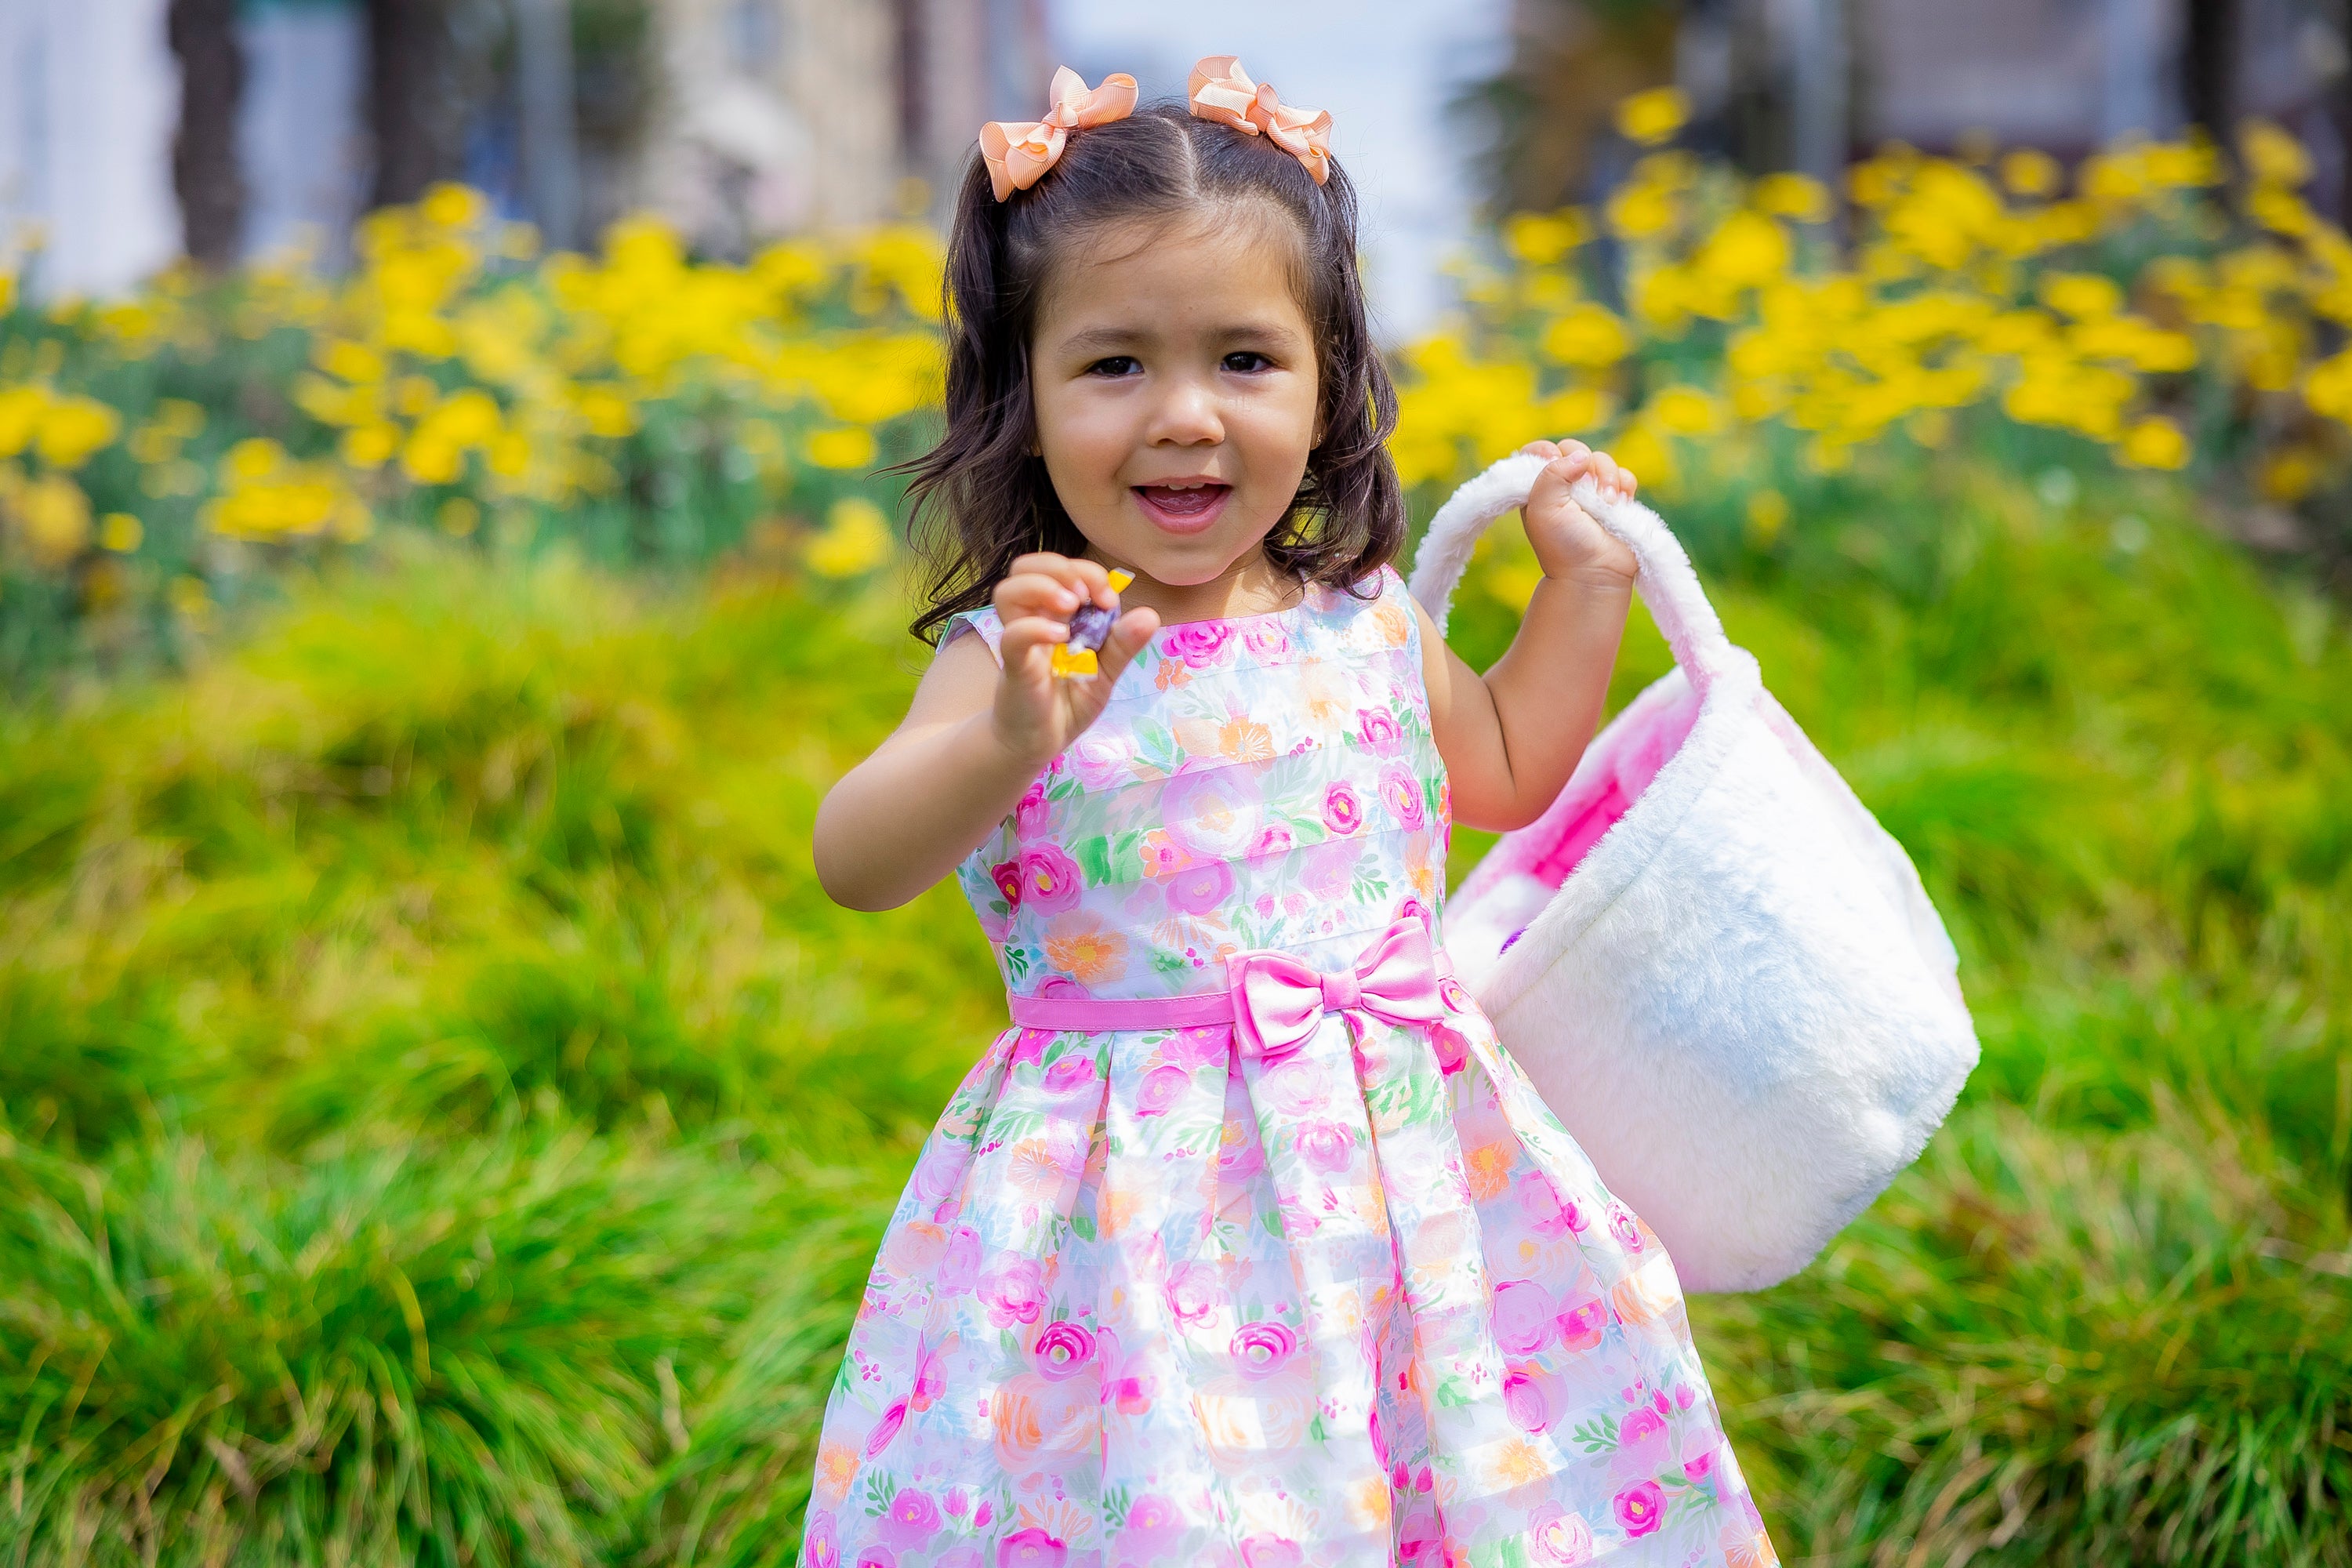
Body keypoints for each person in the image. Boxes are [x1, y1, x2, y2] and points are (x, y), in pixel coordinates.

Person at [802, 56, 1778, 1568]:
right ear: (1026, 398)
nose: (1184, 417)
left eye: (1245, 361)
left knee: (1450, 1481)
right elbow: (855, 860)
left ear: (1328, 386)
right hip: (1132, 1209)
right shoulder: (1024, 650)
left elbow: (1509, 768)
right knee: (1176, 1505)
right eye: (1114, 365)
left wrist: (1579, 590)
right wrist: (1009, 744)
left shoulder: (1364, 621)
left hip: (1406, 1182)